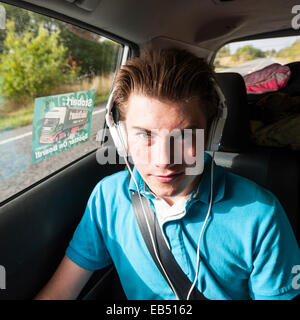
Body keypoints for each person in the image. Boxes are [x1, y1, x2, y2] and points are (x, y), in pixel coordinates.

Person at [35, 48, 300, 300]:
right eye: (144, 135)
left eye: (184, 136)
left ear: (212, 133)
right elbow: (61, 293)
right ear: (120, 135)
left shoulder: (261, 215)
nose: (164, 161)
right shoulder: (108, 198)